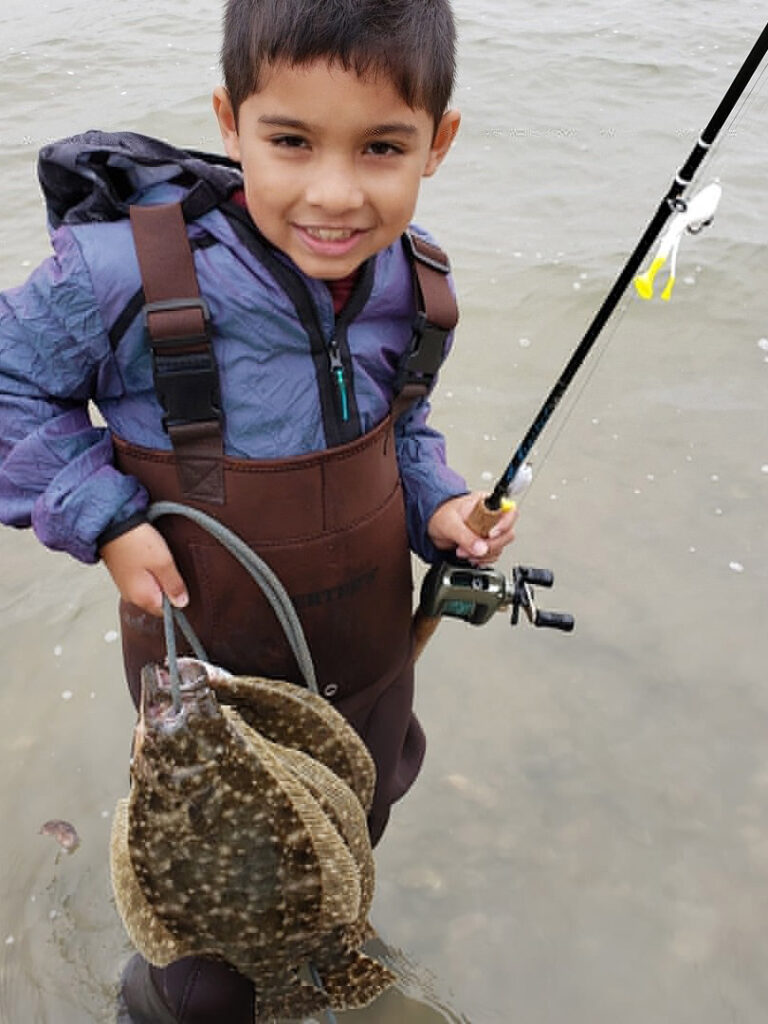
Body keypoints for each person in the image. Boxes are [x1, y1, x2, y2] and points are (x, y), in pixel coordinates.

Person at [0, 0, 517, 1018]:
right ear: (230, 124)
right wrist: (104, 515)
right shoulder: (119, 273)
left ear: (437, 144)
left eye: (381, 147)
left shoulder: (417, 286)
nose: (334, 192)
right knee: (200, 976)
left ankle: (322, 953)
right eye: (290, 140)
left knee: (351, 833)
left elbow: (401, 430)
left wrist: (442, 506)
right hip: (208, 684)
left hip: (368, 668)